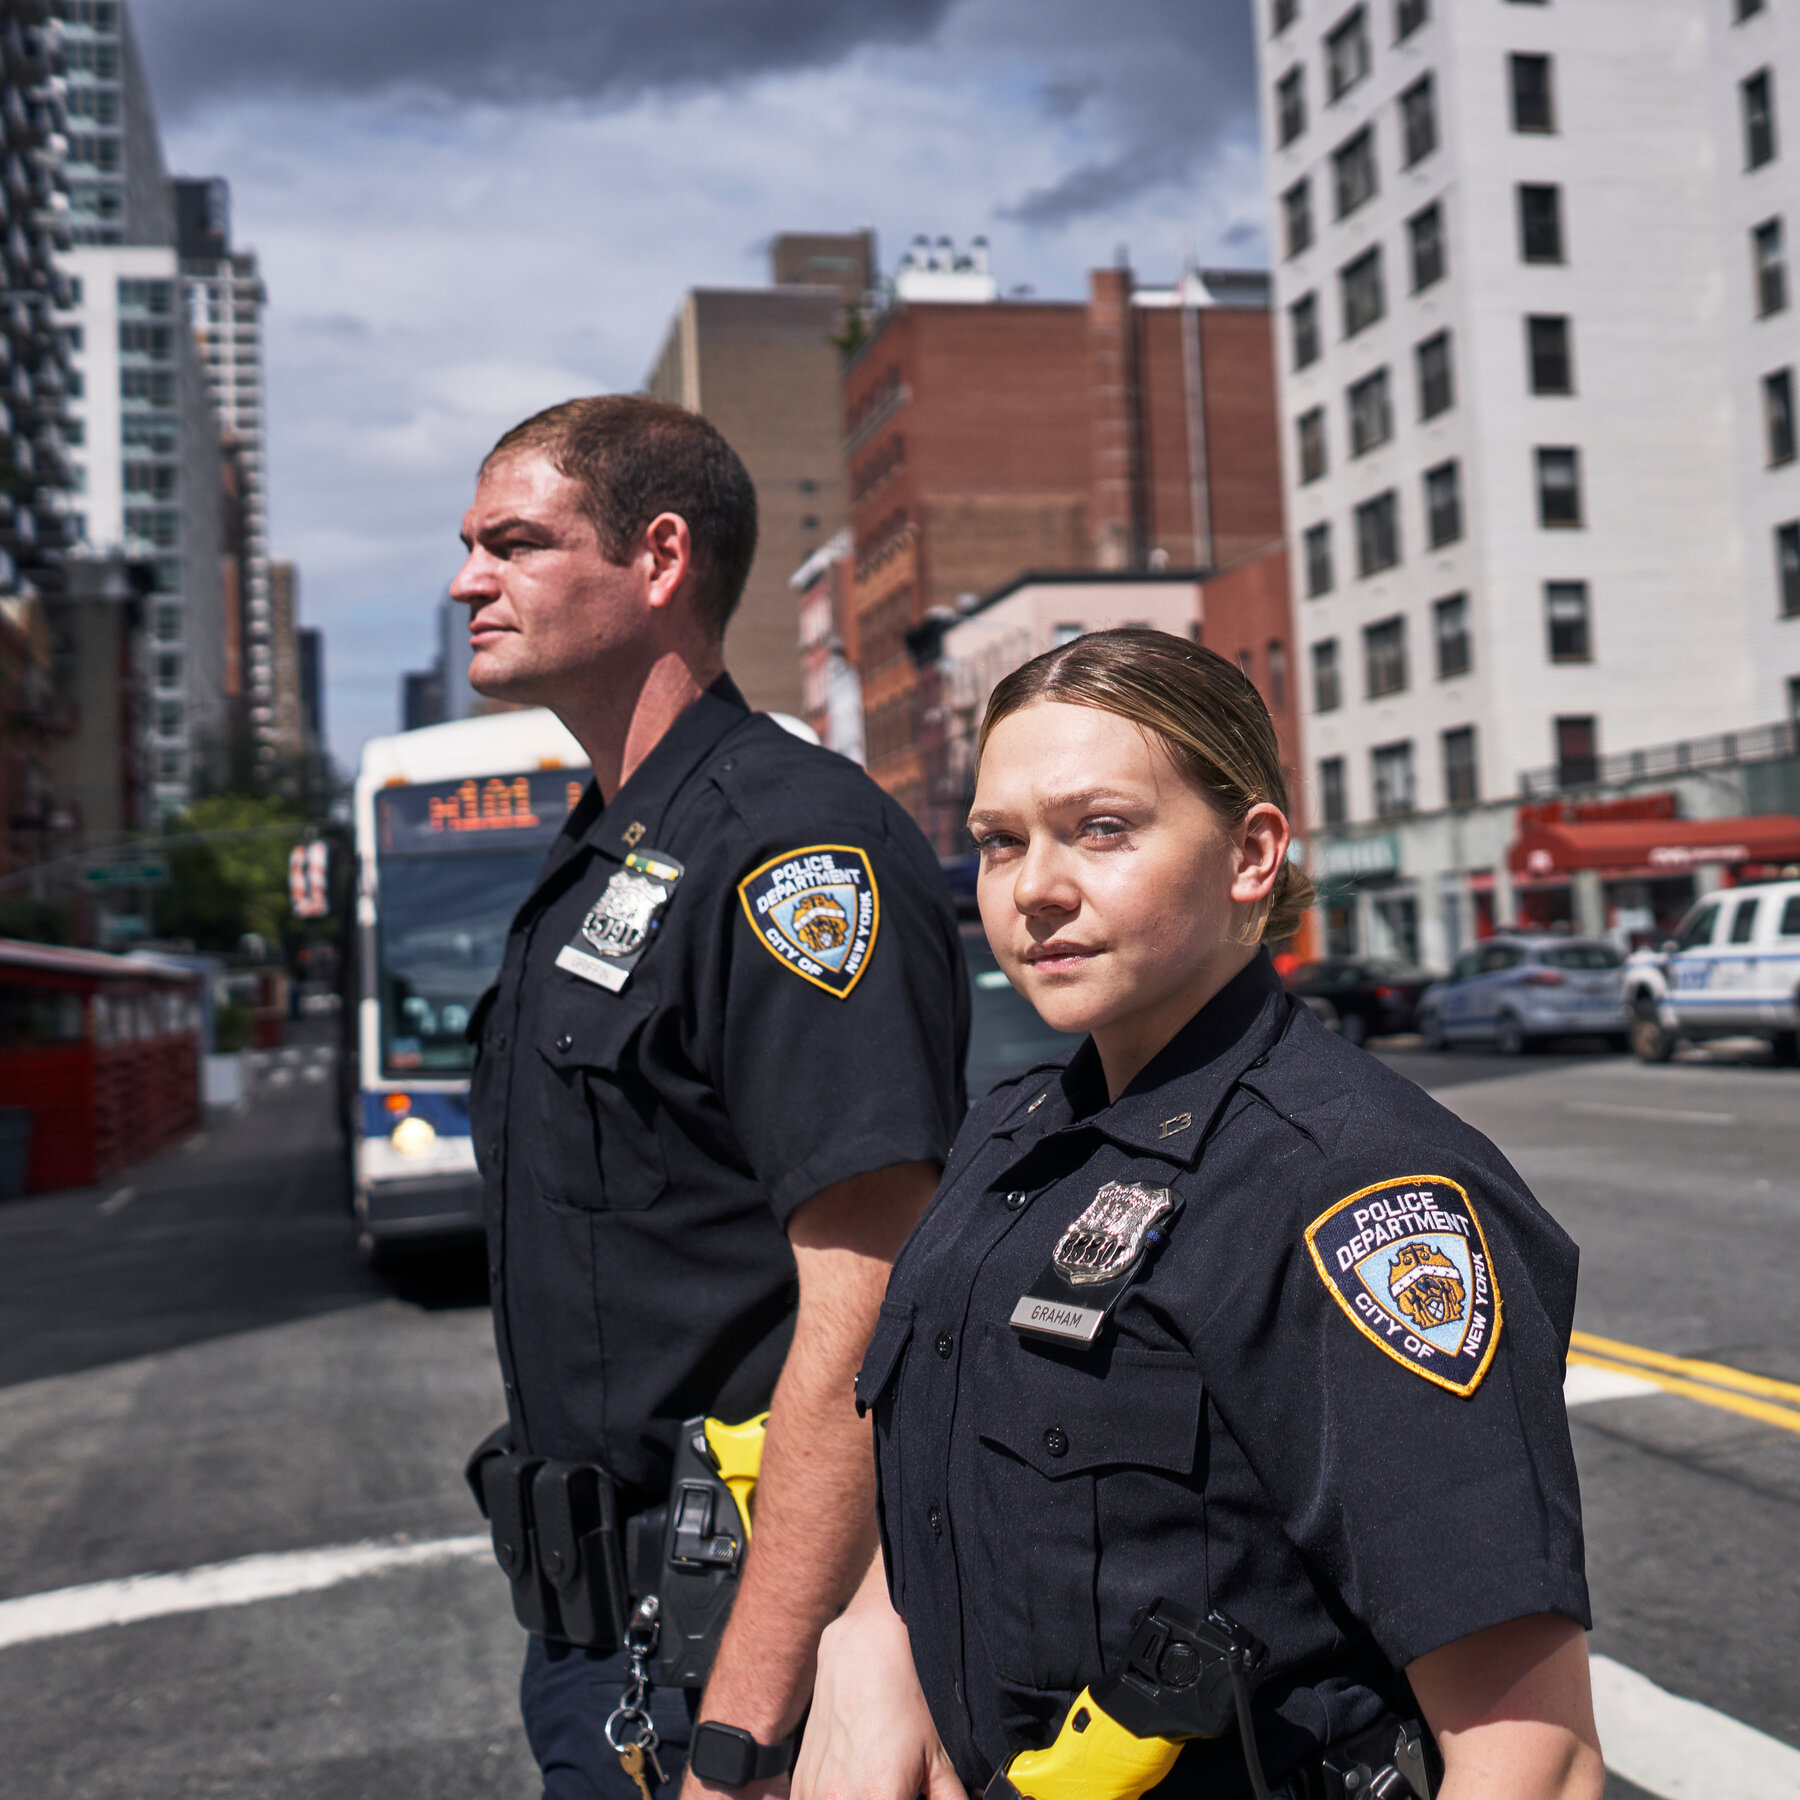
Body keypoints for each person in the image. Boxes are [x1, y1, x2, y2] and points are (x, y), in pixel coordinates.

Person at [796, 630, 1605, 1800]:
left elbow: (1535, 1751)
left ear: (1251, 852)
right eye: (998, 842)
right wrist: (872, 1636)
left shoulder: (1357, 1188)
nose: (1036, 888)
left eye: (1103, 828)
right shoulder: (1006, 1138)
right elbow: (947, 1472)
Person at [453, 396, 968, 1799]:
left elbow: (870, 1302)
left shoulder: (790, 846)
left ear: (660, 556)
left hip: (736, 1655)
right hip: (601, 1643)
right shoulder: (606, 852)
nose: (465, 581)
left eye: (511, 542)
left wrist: (742, 1728)